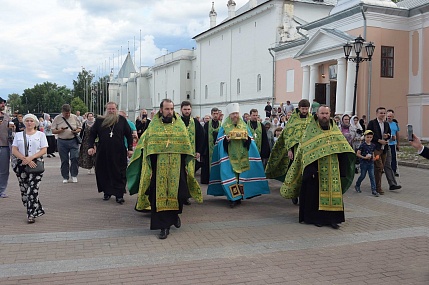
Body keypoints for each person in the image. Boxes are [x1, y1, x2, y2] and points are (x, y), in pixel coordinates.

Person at [127, 99, 202, 239]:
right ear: (161, 110)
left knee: (178, 194)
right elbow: (147, 144)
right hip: (158, 167)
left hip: (177, 166)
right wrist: (149, 166)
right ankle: (163, 227)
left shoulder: (179, 125)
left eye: (171, 109)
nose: (169, 112)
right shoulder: (154, 126)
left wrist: (186, 163)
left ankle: (174, 217)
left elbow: (186, 145)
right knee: (158, 197)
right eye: (167, 109)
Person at [282, 105, 355, 229]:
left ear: (330, 114)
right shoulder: (310, 131)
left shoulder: (335, 131)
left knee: (333, 195)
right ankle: (317, 219)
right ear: (317, 114)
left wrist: (343, 170)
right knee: (314, 195)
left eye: (326, 113)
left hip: (333, 169)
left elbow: (342, 149)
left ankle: (333, 219)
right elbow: (305, 151)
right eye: (322, 113)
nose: (324, 116)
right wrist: (310, 170)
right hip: (316, 170)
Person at [208, 103, 270, 208]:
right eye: (233, 114)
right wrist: (226, 140)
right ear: (229, 115)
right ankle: (233, 198)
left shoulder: (244, 125)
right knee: (230, 178)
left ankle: (239, 197)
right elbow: (218, 142)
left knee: (240, 178)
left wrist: (247, 140)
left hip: (242, 157)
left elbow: (251, 141)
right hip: (228, 158)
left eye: (236, 113)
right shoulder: (224, 127)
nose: (235, 116)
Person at [265, 99, 312, 205]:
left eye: (306, 109)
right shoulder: (293, 120)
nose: (305, 111)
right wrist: (289, 150)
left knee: (305, 174)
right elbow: (288, 136)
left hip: (308, 151)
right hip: (295, 152)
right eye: (303, 109)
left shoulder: (312, 120)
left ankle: (304, 195)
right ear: (299, 108)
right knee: (295, 173)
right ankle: (294, 194)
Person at [87, 102, 133, 204]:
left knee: (119, 172)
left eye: (113, 109)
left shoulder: (121, 120)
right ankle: (107, 192)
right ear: (106, 109)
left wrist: (130, 148)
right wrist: (90, 146)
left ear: (116, 109)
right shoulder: (100, 121)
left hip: (119, 152)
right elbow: (92, 135)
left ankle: (119, 194)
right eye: (109, 109)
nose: (111, 111)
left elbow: (129, 134)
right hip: (103, 151)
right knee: (104, 172)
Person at [11, 114, 48, 223]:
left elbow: (44, 149)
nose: (29, 123)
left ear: (35, 123)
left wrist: (31, 158)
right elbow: (14, 150)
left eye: (31, 121)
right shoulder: (18, 135)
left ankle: (31, 213)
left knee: (33, 188)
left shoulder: (40, 135)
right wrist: (24, 159)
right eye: (27, 120)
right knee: (25, 188)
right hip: (21, 164)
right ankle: (38, 208)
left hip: (36, 164)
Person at [367, 107, 401, 194]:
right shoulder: (372, 123)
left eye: (383, 113)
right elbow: (368, 134)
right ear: (377, 114)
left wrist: (387, 136)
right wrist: (378, 140)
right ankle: (377, 187)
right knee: (379, 167)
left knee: (385, 165)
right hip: (376, 148)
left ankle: (390, 184)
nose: (382, 115)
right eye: (381, 113)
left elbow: (389, 134)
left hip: (384, 148)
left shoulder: (386, 124)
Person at [180, 101, 205, 204]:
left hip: (191, 155)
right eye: (185, 109)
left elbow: (201, 136)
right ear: (181, 109)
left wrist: (199, 151)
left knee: (190, 175)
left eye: (188, 109)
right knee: (180, 175)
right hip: (180, 154)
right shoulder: (177, 121)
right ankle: (180, 196)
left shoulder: (195, 122)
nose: (187, 111)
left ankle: (187, 196)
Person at [52, 104, 82, 183]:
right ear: (62, 112)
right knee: (64, 160)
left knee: (74, 158)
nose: (68, 115)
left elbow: (80, 128)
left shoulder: (74, 117)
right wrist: (60, 130)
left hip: (73, 140)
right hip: (62, 141)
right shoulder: (57, 118)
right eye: (66, 113)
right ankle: (65, 176)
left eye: (69, 113)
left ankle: (74, 175)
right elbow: (53, 130)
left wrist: (76, 131)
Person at [354, 130, 378, 196]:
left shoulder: (373, 145)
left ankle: (374, 190)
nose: (369, 139)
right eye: (367, 137)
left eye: (370, 137)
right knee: (362, 175)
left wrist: (373, 157)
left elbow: (372, 152)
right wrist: (364, 157)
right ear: (364, 137)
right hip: (364, 163)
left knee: (372, 176)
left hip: (371, 163)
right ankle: (357, 185)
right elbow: (358, 154)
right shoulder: (362, 145)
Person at [201, 107, 221, 184]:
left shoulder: (221, 124)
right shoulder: (207, 125)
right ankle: (207, 179)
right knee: (206, 164)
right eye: (214, 114)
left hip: (217, 148)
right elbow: (203, 137)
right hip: (208, 148)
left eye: (217, 114)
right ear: (211, 114)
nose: (215, 115)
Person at [0, 96, 15, 198]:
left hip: (4, 146)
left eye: (3, 103)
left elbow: (11, 132)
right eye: (1, 103)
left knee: (4, 171)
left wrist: (12, 128)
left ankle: (2, 190)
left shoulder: (6, 116)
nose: (3, 105)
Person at [386, 110, 400, 176]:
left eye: (390, 116)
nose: (389, 117)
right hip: (386, 143)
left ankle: (394, 170)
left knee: (393, 157)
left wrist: (398, 144)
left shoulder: (395, 124)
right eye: (388, 116)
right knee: (385, 157)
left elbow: (397, 134)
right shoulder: (384, 123)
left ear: (393, 117)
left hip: (393, 143)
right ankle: (384, 169)